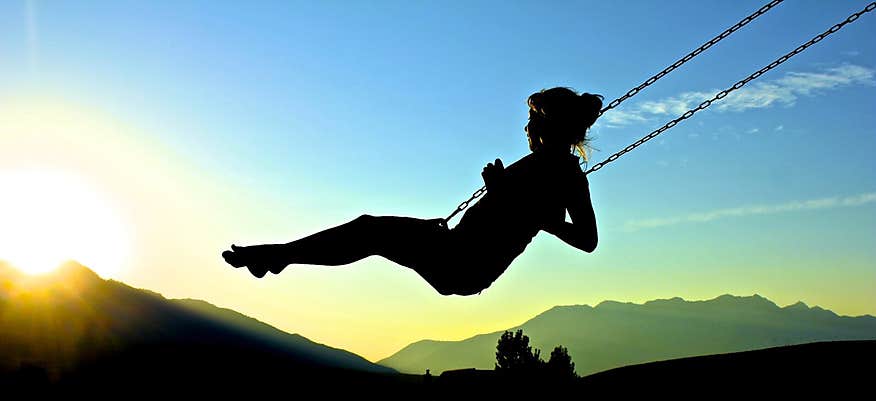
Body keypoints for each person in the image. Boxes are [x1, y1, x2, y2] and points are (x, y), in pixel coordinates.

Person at [222, 87, 602, 296]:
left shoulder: (566, 173)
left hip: (466, 265)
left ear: (549, 126)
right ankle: (278, 257)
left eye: (532, 120)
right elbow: (513, 212)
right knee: (369, 229)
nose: (526, 129)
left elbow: (587, 240)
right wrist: (500, 196)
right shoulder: (544, 165)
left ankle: (279, 257)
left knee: (369, 232)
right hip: (456, 246)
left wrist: (518, 203)